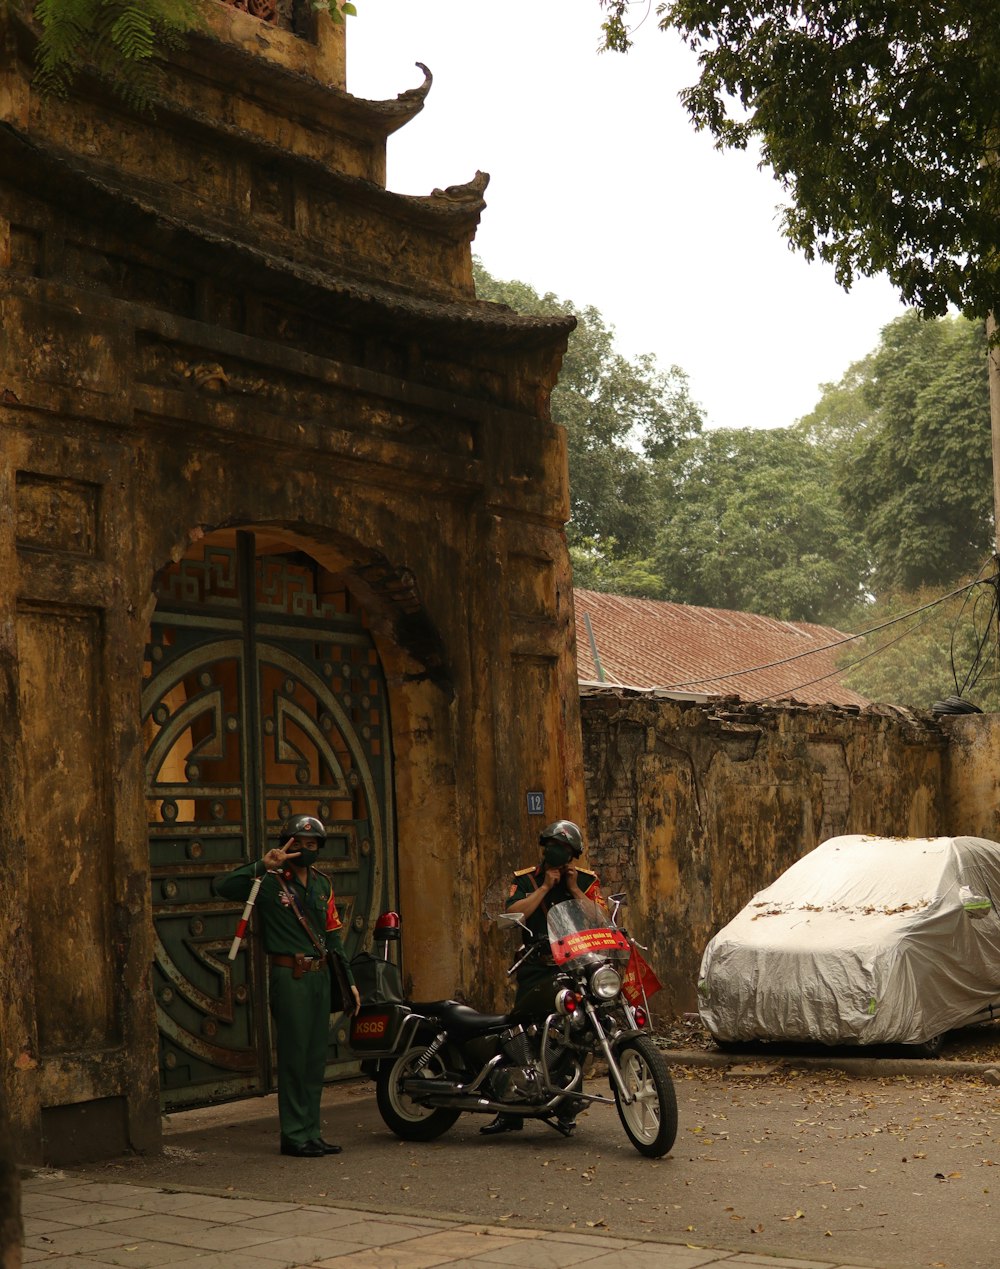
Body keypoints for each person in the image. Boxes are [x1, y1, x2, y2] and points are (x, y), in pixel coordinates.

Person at [214, 814, 361, 1157]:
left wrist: (349, 981)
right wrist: (260, 865)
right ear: (287, 845)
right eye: (299, 844)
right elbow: (223, 886)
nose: (306, 850)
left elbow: (333, 937)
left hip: (321, 976)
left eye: (312, 845)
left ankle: (312, 1131)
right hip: (290, 976)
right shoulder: (269, 882)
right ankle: (294, 1134)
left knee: (314, 1058)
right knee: (294, 1057)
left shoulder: (323, 884)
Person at [480, 819, 602, 1138]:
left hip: (574, 967)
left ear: (573, 855)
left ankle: (567, 1104)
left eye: (564, 849)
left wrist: (573, 889)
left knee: (574, 1031)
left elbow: (599, 919)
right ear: (543, 847)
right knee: (518, 1031)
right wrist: (546, 887)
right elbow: (513, 915)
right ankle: (508, 1109)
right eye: (552, 846)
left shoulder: (587, 880)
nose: (556, 852)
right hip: (535, 966)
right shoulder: (525, 880)